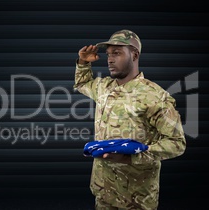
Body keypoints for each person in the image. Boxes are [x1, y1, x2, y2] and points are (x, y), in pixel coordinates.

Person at [73, 29, 186, 210]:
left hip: (136, 197)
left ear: (134, 55)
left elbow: (177, 143)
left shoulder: (154, 96)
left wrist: (132, 157)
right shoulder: (104, 87)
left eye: (116, 53)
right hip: (104, 190)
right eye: (108, 54)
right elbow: (82, 83)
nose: (110, 59)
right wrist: (83, 63)